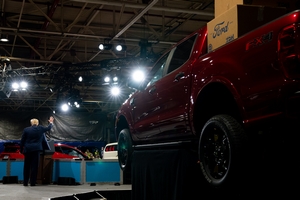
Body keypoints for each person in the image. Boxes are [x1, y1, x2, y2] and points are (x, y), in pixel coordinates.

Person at [20, 116, 54, 186]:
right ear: (37, 123)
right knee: (34, 166)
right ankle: (32, 182)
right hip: (36, 150)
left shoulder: (26, 130)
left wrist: (21, 150)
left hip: (28, 149)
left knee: (26, 166)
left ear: (31, 123)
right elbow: (48, 128)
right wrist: (51, 122)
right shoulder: (40, 128)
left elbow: (22, 141)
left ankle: (25, 182)